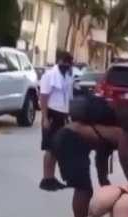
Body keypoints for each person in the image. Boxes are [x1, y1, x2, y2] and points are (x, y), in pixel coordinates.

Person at [49, 97, 128, 217]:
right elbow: (127, 166)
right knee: (83, 190)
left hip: (66, 138)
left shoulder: (107, 135)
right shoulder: (123, 134)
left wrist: (110, 193)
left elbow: (101, 168)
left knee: (85, 190)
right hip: (69, 140)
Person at [39, 52, 74, 191]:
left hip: (62, 115)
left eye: (69, 63)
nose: (67, 65)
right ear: (59, 61)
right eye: (65, 62)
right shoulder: (49, 76)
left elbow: (68, 96)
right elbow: (43, 97)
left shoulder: (67, 76)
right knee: (50, 148)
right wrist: (45, 118)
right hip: (51, 114)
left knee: (57, 148)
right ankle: (46, 179)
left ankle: (52, 178)